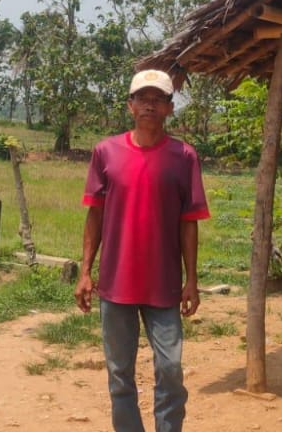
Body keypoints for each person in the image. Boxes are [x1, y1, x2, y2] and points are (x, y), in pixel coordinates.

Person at [75, 68, 210, 432]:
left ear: (169, 108)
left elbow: (189, 221)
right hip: (115, 284)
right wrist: (85, 272)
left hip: (163, 285)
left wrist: (191, 279)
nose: (150, 105)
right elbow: (95, 213)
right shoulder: (106, 152)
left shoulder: (184, 156)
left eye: (158, 99)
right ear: (130, 106)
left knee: (170, 368)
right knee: (120, 374)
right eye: (142, 98)